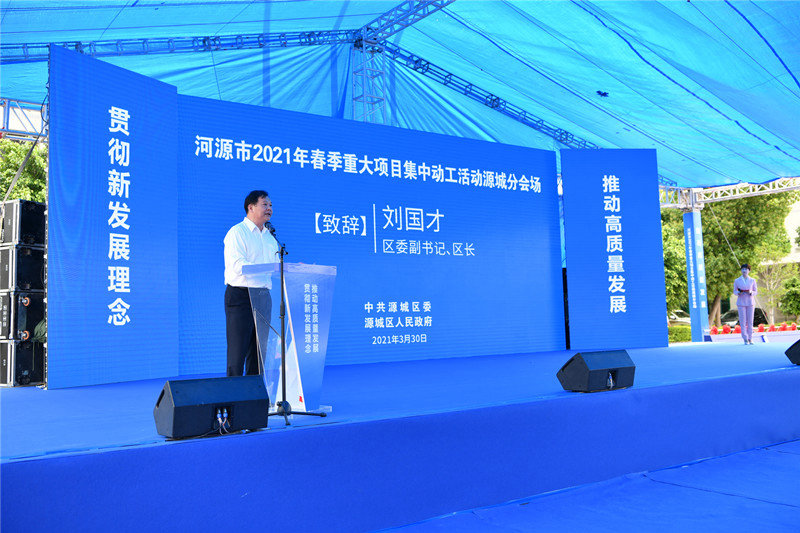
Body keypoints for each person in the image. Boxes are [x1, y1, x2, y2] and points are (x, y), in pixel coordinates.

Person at [223, 190, 279, 376]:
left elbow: (275, 268)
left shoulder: (270, 237)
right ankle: (234, 392)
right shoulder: (237, 232)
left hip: (263, 297)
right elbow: (239, 266)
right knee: (237, 353)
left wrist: (289, 268)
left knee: (259, 353)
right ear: (251, 207)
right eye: (265, 204)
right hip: (241, 296)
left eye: (270, 205)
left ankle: (255, 392)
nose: (269, 208)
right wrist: (268, 267)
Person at [733, 263, 758, 345]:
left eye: (746, 269)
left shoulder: (752, 280)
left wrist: (751, 292)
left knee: (750, 321)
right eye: (743, 269)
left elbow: (755, 291)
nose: (744, 271)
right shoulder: (737, 280)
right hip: (741, 302)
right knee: (743, 321)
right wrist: (738, 292)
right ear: (741, 270)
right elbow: (734, 291)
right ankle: (745, 339)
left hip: (750, 302)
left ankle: (750, 338)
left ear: (749, 271)